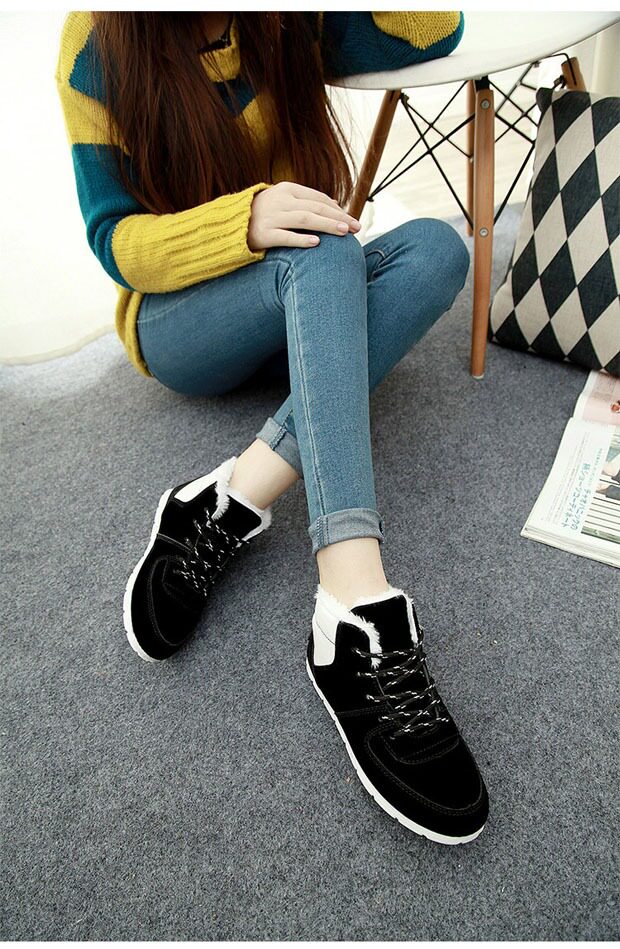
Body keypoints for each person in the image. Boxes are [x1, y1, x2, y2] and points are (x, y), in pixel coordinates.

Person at [55, 11, 488, 845]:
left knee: (438, 249)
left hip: (304, 304)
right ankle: (353, 603)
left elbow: (434, 30)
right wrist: (243, 220)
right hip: (185, 325)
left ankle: (233, 495)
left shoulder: (290, 16)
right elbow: (115, 241)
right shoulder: (97, 40)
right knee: (321, 247)